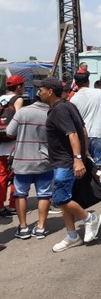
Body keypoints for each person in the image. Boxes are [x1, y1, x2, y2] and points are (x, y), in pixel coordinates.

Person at [37, 77, 101, 252]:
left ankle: (90, 219)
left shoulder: (60, 110)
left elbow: (73, 134)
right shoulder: (68, 105)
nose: (39, 93)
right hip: (65, 161)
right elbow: (83, 130)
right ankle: (72, 236)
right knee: (67, 197)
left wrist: (78, 158)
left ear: (50, 92)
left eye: (41, 89)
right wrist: (85, 151)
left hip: (65, 162)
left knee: (60, 199)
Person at [6, 87, 53, 239]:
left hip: (22, 161)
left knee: (20, 195)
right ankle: (40, 227)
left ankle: (24, 228)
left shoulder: (22, 112)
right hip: (44, 161)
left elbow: (9, 132)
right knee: (44, 195)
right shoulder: (51, 114)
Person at [70, 71, 101, 166]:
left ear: (76, 84)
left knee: (86, 164)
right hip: (98, 134)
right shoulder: (99, 92)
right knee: (100, 165)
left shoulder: (73, 98)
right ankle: (99, 180)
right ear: (88, 82)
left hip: (82, 136)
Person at [0, 74, 25, 217]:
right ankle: (13, 205)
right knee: (15, 174)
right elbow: (19, 120)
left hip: (0, 143)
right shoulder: (18, 99)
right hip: (12, 145)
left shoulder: (0, 99)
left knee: (1, 175)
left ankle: (0, 205)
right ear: (18, 86)